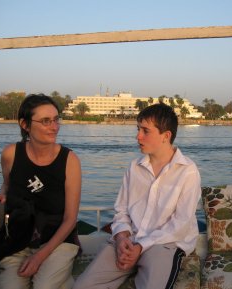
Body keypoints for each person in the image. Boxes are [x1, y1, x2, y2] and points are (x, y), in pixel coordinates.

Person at [74, 103, 201, 289]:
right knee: (82, 286)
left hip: (164, 244)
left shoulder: (188, 171)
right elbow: (121, 211)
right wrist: (121, 238)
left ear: (166, 136)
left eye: (145, 131)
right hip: (130, 239)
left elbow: (180, 224)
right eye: (138, 129)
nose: (138, 136)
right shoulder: (134, 167)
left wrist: (141, 246)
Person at [0, 94, 81, 289]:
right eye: (46, 121)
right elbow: (7, 184)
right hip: (18, 240)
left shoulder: (69, 161)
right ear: (25, 124)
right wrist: (3, 195)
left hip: (58, 241)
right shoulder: (11, 154)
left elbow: (70, 218)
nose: (54, 126)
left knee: (44, 286)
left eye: (56, 119)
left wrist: (40, 257)